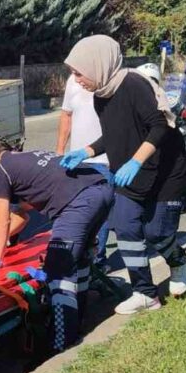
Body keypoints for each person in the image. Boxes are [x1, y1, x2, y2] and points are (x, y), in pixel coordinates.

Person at [60, 35, 186, 314]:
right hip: (130, 174)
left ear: (97, 65)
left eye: (78, 73)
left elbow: (159, 126)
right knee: (125, 227)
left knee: (157, 233)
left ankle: (178, 261)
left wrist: (135, 161)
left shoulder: (133, 85)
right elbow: (114, 135)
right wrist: (86, 151)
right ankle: (145, 293)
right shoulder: (101, 96)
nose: (76, 80)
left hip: (166, 172)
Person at [0, 139, 113, 351]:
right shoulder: (23, 158)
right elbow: (24, 208)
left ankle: (62, 341)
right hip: (100, 189)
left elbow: (2, 219)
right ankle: (79, 320)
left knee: (58, 270)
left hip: (78, 202)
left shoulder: (1, 170)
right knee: (79, 260)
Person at [56, 73, 116, 270]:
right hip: (76, 161)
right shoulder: (73, 81)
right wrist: (59, 150)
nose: (76, 76)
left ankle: (97, 262)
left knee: (99, 213)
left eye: (79, 71)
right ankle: (80, 259)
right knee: (75, 211)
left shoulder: (110, 81)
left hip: (103, 161)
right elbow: (66, 115)